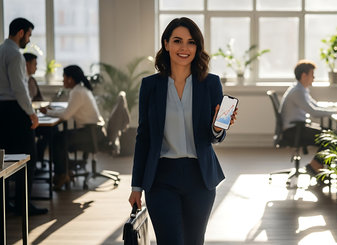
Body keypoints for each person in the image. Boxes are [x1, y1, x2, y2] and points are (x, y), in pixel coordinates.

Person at [128, 17, 237, 245]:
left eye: (191, 42)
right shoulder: (150, 86)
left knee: (194, 241)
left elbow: (214, 137)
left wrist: (217, 127)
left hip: (199, 178)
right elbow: (144, 137)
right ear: (166, 44)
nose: (184, 48)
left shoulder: (210, 84)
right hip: (161, 177)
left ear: (197, 48)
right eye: (177, 41)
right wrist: (136, 186)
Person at [0, 18, 47, 215]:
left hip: (1, 111)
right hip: (15, 111)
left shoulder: (1, 50)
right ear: (20, 33)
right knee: (28, 157)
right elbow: (20, 89)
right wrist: (32, 114)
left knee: (5, 160)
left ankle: (4, 204)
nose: (28, 40)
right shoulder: (16, 55)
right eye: (28, 35)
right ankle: (22, 206)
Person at [40, 65, 105, 190]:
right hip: (93, 131)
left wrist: (47, 112)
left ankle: (62, 174)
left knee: (58, 140)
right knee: (59, 138)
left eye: (64, 77)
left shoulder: (77, 92)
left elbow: (65, 116)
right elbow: (68, 111)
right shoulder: (80, 89)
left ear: (70, 79)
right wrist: (53, 111)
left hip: (90, 133)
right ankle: (65, 171)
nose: (63, 80)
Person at [279, 60, 337, 175]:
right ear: (304, 75)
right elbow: (313, 112)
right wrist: (335, 112)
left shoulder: (301, 89)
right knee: (330, 138)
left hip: (298, 127)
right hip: (293, 131)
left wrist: (333, 109)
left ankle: (316, 166)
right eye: (312, 75)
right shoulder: (297, 92)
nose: (314, 78)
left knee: (330, 135)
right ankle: (315, 166)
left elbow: (315, 105)